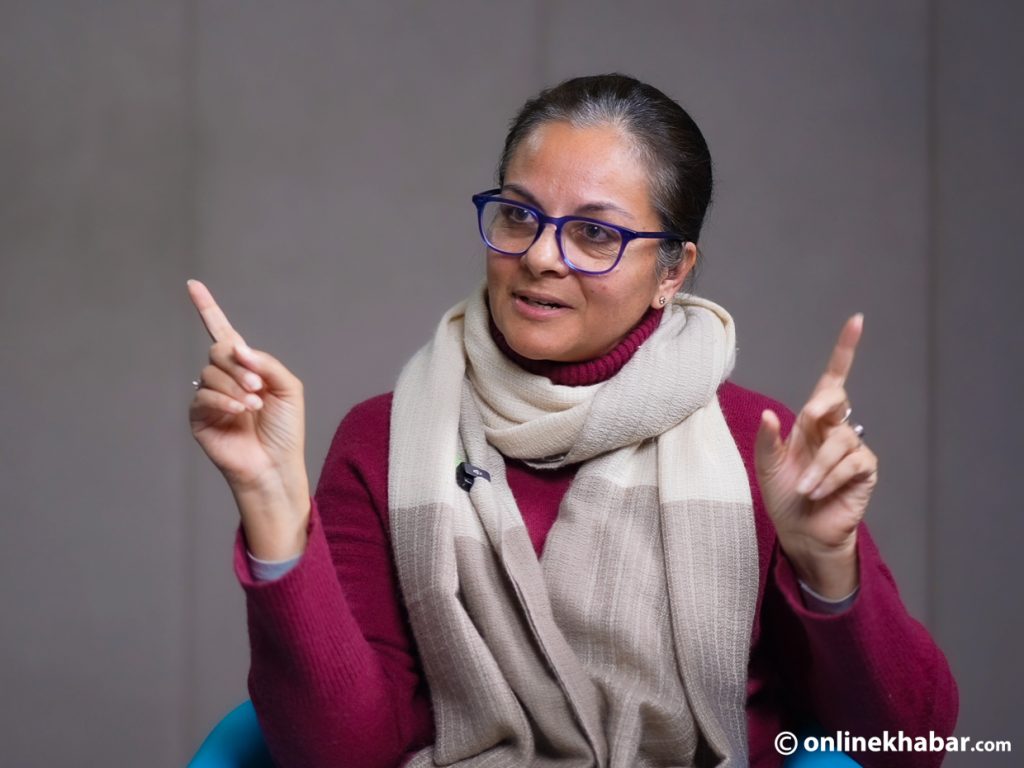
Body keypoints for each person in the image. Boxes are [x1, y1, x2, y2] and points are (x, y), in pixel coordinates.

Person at [187, 74, 957, 767]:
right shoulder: (383, 442)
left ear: (672, 271)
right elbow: (339, 756)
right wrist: (272, 503)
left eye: (595, 233)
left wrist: (828, 567)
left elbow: (911, 745)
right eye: (518, 216)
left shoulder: (758, 447)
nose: (541, 257)